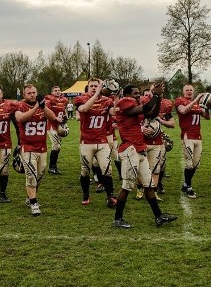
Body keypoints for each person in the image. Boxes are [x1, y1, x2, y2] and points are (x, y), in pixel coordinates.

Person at [112, 82, 178, 229]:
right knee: (127, 186)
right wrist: (155, 94)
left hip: (139, 148)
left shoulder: (134, 105)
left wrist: (159, 96)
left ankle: (158, 215)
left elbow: (151, 114)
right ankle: (118, 218)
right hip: (129, 149)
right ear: (127, 94)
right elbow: (146, 107)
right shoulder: (124, 102)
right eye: (135, 93)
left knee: (148, 184)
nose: (138, 96)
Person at [14, 85, 57, 216]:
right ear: (24, 95)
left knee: (40, 175)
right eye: (29, 93)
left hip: (42, 147)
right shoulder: (20, 105)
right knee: (31, 175)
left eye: (34, 92)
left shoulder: (43, 105)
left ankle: (29, 197)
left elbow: (53, 117)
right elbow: (20, 118)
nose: (32, 95)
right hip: (27, 147)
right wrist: (36, 107)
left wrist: (43, 106)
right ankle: (34, 203)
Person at [74, 78, 117, 207]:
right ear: (88, 87)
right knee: (85, 171)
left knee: (107, 169)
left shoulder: (106, 101)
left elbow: (114, 112)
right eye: (91, 86)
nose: (93, 88)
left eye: (96, 86)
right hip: (87, 142)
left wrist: (116, 97)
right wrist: (97, 93)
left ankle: (110, 196)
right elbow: (84, 109)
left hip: (102, 141)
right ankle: (86, 194)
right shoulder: (81, 98)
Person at [173, 84, 210, 198]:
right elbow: (183, 111)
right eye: (187, 90)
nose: (189, 92)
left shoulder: (198, 103)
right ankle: (189, 187)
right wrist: (195, 100)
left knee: (196, 164)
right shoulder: (180, 100)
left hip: (198, 136)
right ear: (183, 91)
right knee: (189, 163)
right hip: (187, 135)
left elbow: (207, 117)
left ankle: (185, 184)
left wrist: (207, 108)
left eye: (191, 90)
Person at [138, 87, 173, 201]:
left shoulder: (166, 104)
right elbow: (132, 120)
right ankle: (140, 188)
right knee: (141, 167)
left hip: (157, 141)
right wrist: (141, 128)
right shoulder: (142, 101)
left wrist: (161, 121)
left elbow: (172, 124)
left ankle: (153, 191)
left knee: (156, 168)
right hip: (142, 140)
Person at [45, 85, 69, 175]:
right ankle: (52, 167)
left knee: (57, 146)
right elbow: (46, 112)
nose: (58, 91)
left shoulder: (64, 100)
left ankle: (53, 166)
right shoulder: (49, 99)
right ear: (52, 92)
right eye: (55, 90)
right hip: (51, 125)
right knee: (56, 146)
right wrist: (55, 118)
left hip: (59, 125)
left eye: (59, 90)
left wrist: (65, 116)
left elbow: (63, 110)